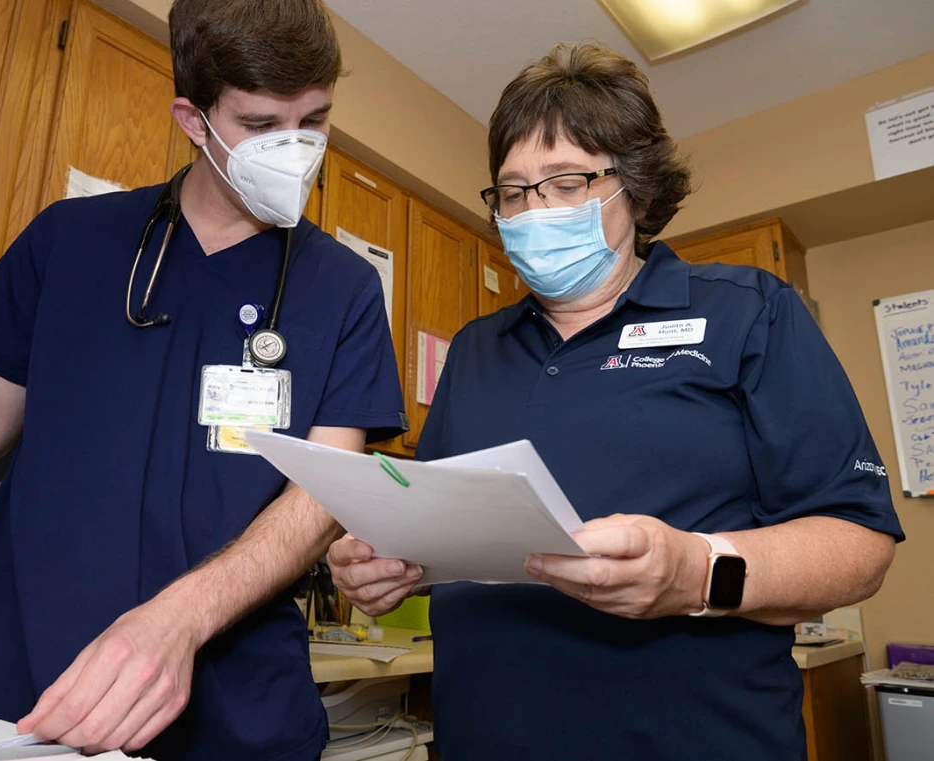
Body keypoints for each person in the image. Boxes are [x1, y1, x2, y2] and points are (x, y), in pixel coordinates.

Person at [0, 1, 406, 759]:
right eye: (259, 125)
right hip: (20, 689)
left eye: (313, 121)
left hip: (233, 709)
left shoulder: (342, 288)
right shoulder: (70, 242)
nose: (295, 149)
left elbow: (324, 493)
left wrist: (179, 617)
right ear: (193, 118)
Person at [328, 43, 902, 761]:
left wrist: (696, 570)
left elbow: (860, 546)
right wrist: (377, 565)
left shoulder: (749, 314)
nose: (535, 211)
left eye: (566, 182)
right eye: (513, 191)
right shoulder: (475, 349)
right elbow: (430, 527)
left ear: (635, 187)